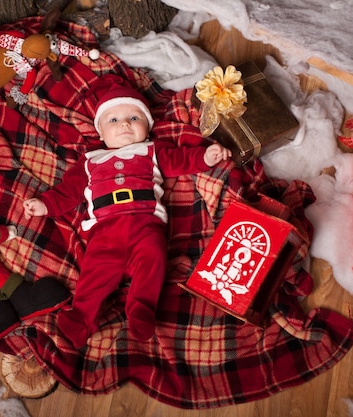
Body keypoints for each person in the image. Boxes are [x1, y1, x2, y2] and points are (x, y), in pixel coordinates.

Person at [23, 77, 231, 348]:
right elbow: (68, 191)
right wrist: (45, 205)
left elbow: (182, 160)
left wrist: (206, 157)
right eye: (113, 120)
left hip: (146, 224)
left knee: (153, 260)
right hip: (105, 231)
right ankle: (82, 318)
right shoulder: (90, 161)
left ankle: (141, 308)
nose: (124, 124)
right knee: (94, 273)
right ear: (100, 133)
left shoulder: (152, 151)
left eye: (134, 117)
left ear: (148, 127)